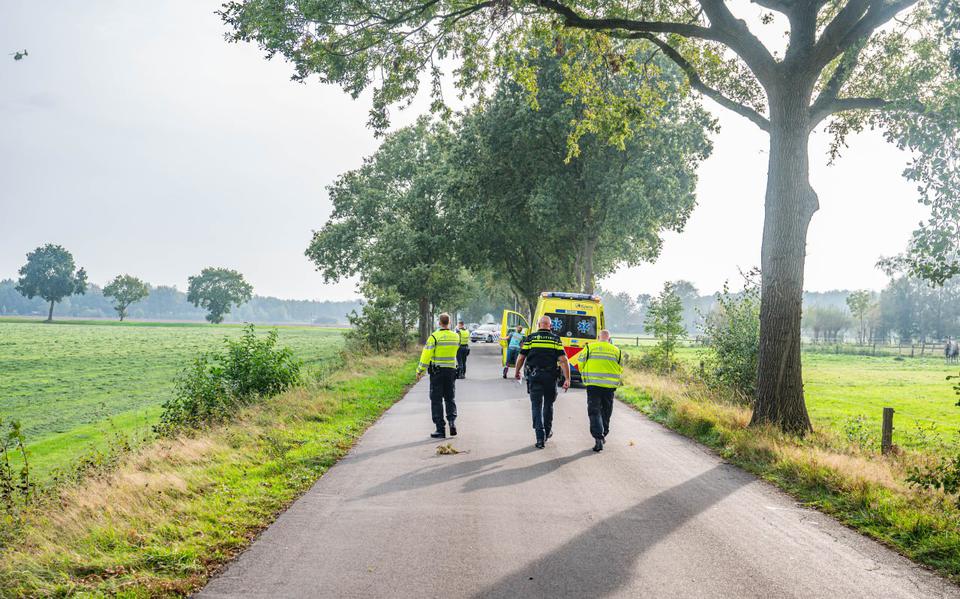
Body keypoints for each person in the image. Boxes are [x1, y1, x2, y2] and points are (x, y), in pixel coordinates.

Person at [514, 315, 570, 449]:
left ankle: (540, 438)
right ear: (550, 326)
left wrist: (517, 371)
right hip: (550, 377)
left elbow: (521, 357)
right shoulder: (555, 339)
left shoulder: (531, 338)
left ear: (539, 325)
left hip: (535, 376)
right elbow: (563, 360)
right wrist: (567, 378)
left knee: (536, 406)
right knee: (549, 405)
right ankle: (547, 432)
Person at [577, 330, 623, 452]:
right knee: (606, 410)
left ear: (598, 338)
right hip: (609, 386)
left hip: (593, 384)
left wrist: (584, 373)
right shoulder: (617, 350)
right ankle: (604, 432)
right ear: (609, 339)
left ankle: (598, 436)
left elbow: (580, 362)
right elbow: (621, 367)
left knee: (594, 410)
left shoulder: (589, 347)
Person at [416, 313, 460, 438]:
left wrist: (420, 370)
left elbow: (426, 356)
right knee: (450, 398)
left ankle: (440, 429)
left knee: (436, 400)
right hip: (451, 371)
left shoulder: (434, 337)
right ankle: (452, 421)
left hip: (437, 372)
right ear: (449, 322)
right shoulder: (456, 337)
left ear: (439, 323)